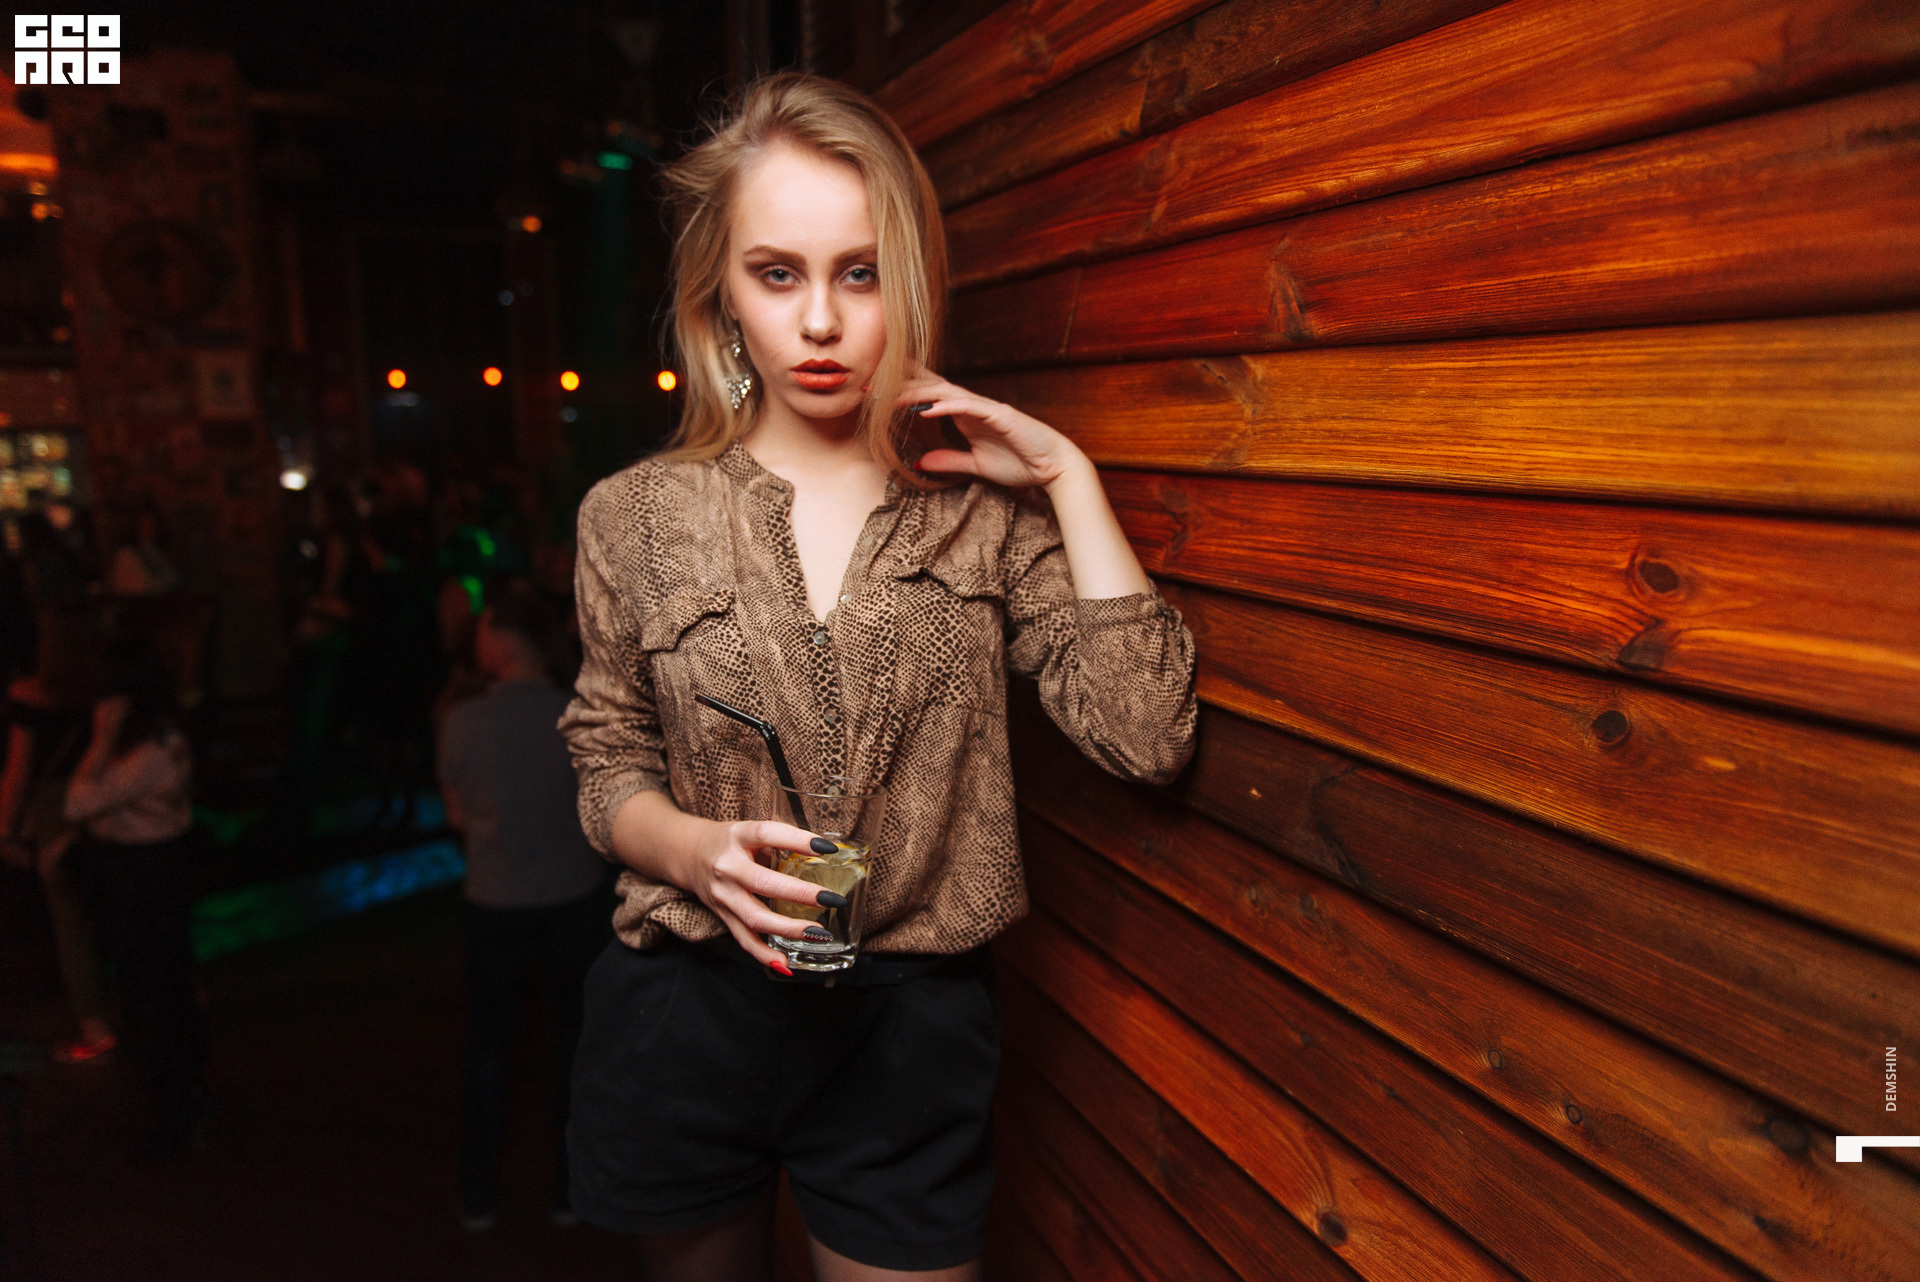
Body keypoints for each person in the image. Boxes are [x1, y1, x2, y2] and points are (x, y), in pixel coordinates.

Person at [559, 74, 1197, 1281]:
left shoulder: (978, 516)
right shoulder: (631, 516)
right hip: (687, 1006)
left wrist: (1065, 476)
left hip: (908, 1024)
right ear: (720, 291)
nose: (819, 321)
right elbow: (606, 761)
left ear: (907, 279)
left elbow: (1145, 734)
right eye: (777, 273)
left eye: (858, 273)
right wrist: (692, 851)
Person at [438, 584, 610, 1231]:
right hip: (573, 896)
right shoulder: (580, 713)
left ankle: (478, 1194)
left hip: (496, 900)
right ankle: (570, 1190)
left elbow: (456, 814)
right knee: (573, 1045)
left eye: (484, 628)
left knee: (490, 1048)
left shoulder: (464, 721)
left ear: (505, 642)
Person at [61, 637, 206, 1156]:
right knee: (155, 988)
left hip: (146, 876)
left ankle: (172, 1111)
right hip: (150, 871)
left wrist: (99, 741)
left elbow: (78, 802)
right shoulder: (159, 740)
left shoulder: (151, 751)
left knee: (152, 993)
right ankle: (175, 1101)